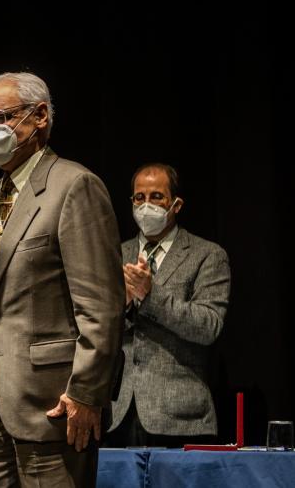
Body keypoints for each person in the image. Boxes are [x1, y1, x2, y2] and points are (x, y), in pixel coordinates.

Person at [0, 72, 124, 486]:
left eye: (1, 117)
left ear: (39, 116)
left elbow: (101, 306)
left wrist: (86, 393)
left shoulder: (74, 186)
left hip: (55, 405)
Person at [108, 163, 231, 447]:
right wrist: (122, 304)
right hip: (117, 411)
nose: (146, 205)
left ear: (176, 204)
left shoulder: (207, 255)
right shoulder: (115, 253)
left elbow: (208, 326)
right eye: (139, 198)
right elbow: (90, 326)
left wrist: (150, 295)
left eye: (156, 197)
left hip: (180, 416)